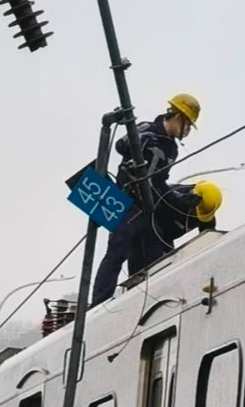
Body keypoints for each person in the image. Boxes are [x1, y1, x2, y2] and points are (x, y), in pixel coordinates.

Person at [92, 94, 201, 304]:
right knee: (118, 249)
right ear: (178, 116)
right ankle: (97, 304)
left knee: (156, 257)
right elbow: (121, 146)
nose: (187, 132)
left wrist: (179, 201)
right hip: (127, 201)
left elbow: (160, 183)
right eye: (187, 125)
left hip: (148, 209)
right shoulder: (145, 128)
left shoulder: (172, 149)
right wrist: (139, 141)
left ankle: (149, 303)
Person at [91, 181, 222, 305]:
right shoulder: (174, 194)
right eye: (194, 211)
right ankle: (100, 302)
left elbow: (208, 238)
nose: (194, 215)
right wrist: (176, 201)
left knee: (166, 269)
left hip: (164, 237)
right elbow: (155, 188)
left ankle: (152, 300)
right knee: (120, 256)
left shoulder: (206, 211)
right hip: (143, 221)